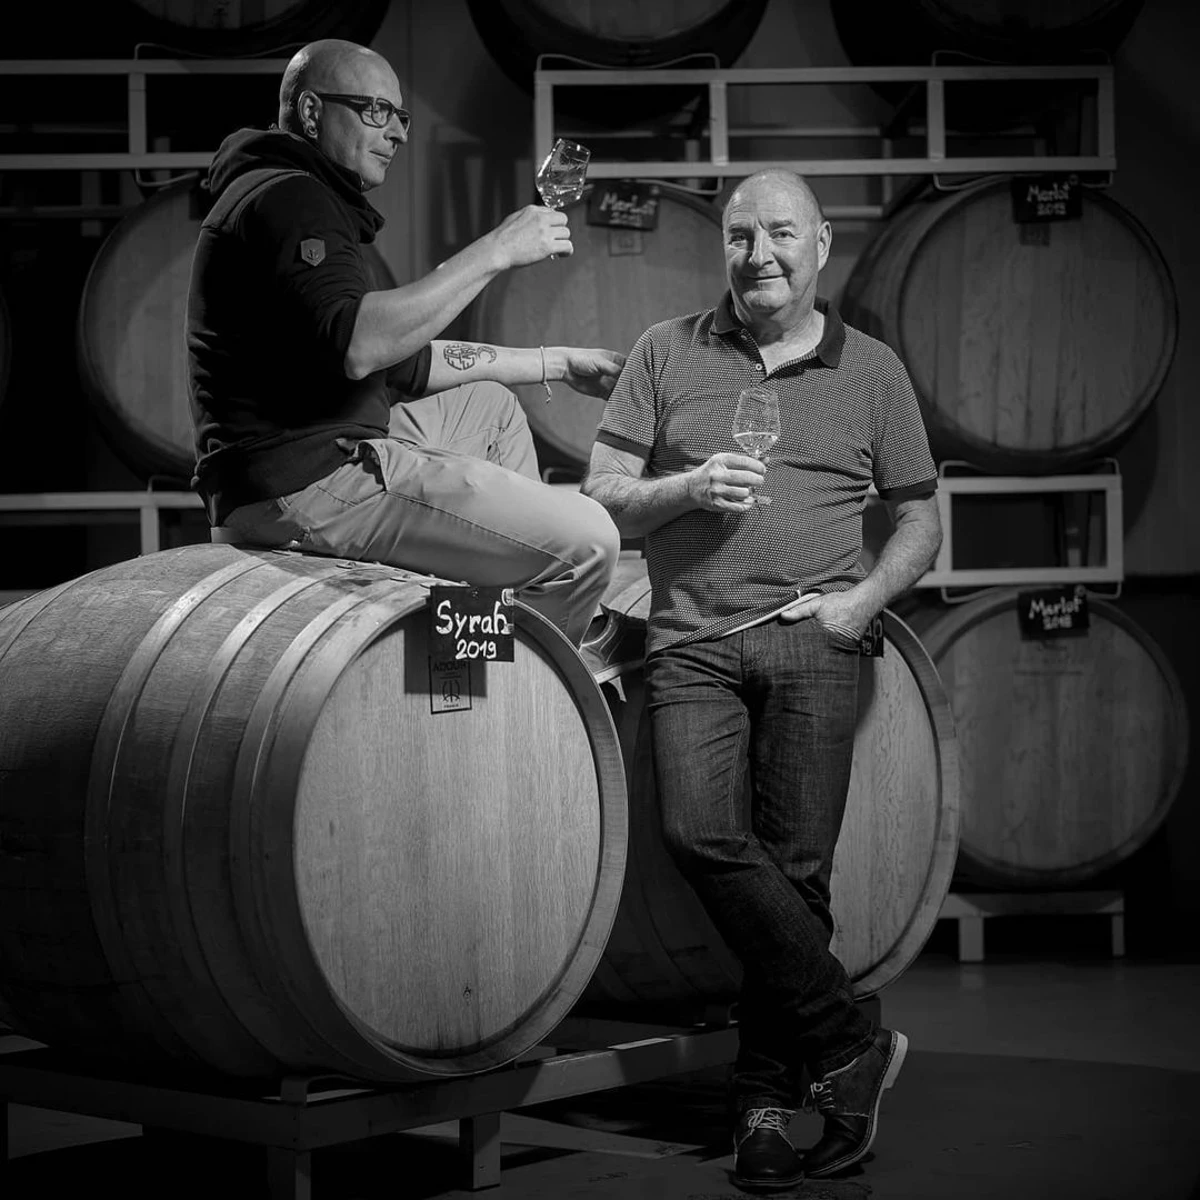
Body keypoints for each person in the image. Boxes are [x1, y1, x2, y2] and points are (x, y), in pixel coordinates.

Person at [581, 170, 942, 1189]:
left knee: (797, 875)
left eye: (781, 233)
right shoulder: (665, 350)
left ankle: (764, 1110)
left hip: (814, 639)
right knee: (698, 833)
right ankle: (850, 1038)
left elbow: (920, 520)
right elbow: (602, 493)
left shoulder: (872, 369)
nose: (759, 254)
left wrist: (859, 605)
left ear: (821, 244)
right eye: (741, 235)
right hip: (691, 639)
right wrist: (688, 487)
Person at [187, 39, 622, 647]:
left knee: (490, 408)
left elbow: (399, 364)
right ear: (311, 112)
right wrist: (496, 250)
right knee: (590, 541)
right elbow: (361, 345)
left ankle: (493, 601)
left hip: (311, 446)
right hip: (306, 480)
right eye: (375, 111)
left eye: (400, 116)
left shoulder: (289, 191)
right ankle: (523, 673)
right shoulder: (291, 198)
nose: (395, 132)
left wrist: (556, 362)